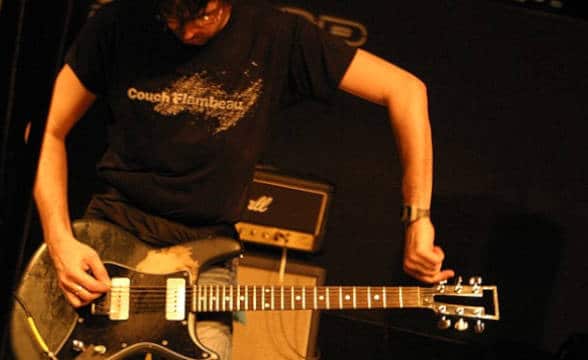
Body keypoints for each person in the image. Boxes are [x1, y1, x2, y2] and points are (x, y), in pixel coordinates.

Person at [32, 0, 455, 358]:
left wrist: (418, 219)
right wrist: (60, 240)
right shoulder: (118, 23)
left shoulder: (278, 35)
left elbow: (406, 90)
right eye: (172, 19)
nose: (186, 32)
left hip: (207, 253)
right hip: (108, 244)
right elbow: (46, 131)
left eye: (204, 16)